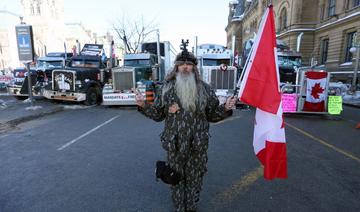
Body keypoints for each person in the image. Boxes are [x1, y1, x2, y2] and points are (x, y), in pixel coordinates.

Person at [135, 43, 236, 212]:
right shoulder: (166, 89)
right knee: (175, 177)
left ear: (194, 68)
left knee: (195, 177)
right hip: (174, 144)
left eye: (189, 64)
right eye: (181, 64)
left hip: (197, 145)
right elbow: (158, 115)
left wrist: (225, 109)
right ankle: (179, 208)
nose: (185, 68)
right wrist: (143, 105)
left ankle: (191, 207)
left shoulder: (205, 89)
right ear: (176, 67)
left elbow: (212, 115)